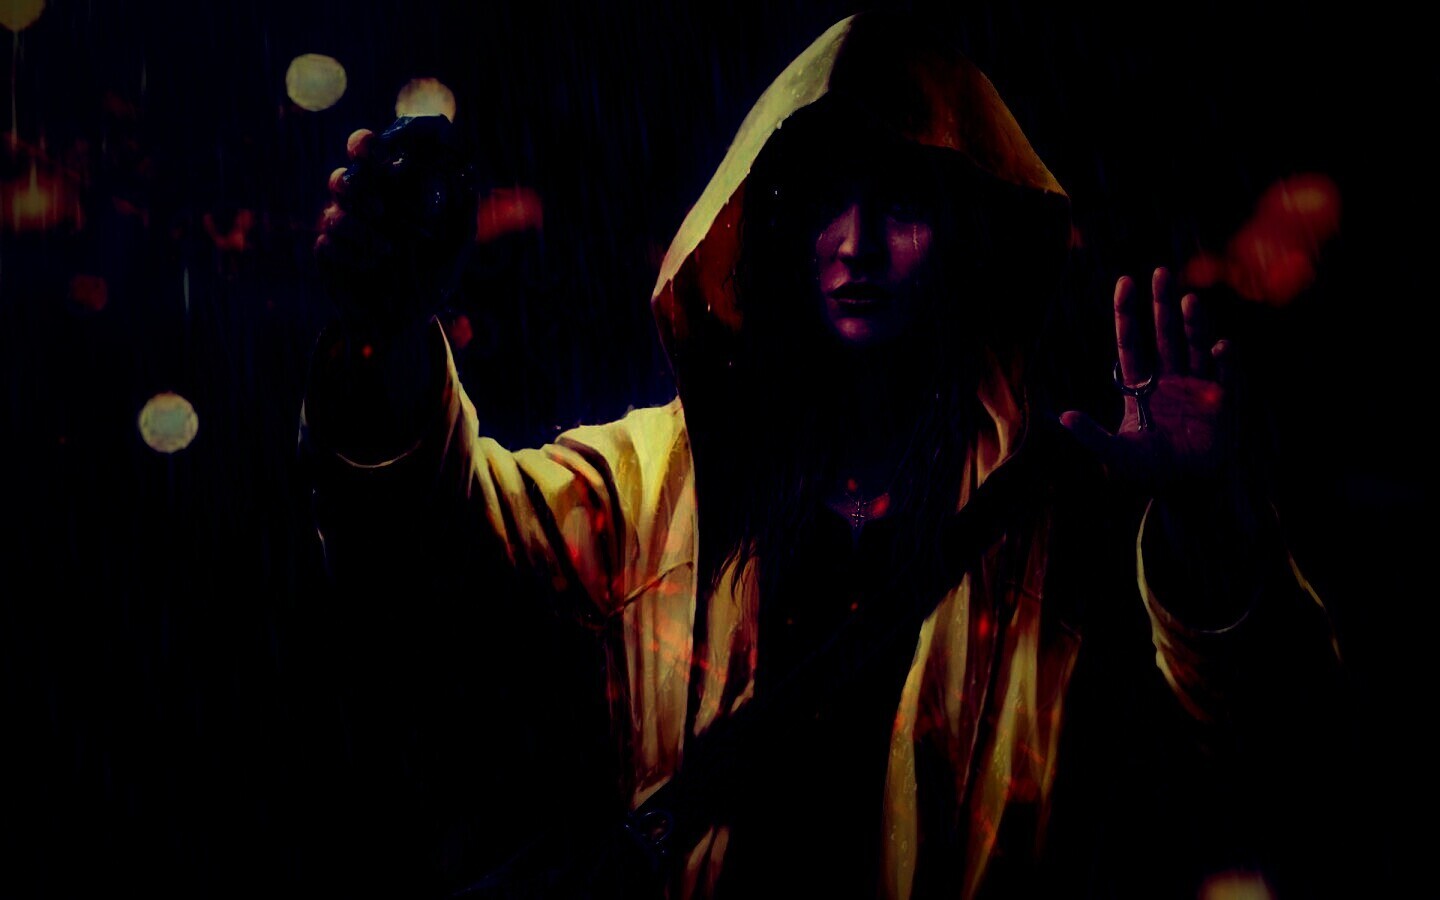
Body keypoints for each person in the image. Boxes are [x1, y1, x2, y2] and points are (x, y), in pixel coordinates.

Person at [301, 12, 1344, 899]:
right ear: (767, 227)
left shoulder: (1052, 506)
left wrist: (1208, 523)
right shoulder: (656, 480)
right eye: (823, 202)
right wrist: (387, 335)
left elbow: (1272, 742)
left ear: (965, 231)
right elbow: (434, 542)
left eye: (901, 203)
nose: (856, 245)